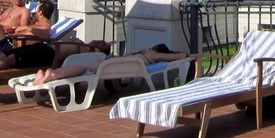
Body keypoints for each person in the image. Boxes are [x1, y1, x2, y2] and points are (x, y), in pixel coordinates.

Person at [29, 44, 188, 85]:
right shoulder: (154, 55)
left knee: (87, 67)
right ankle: (53, 74)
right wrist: (187, 55)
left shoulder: (140, 50)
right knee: (84, 69)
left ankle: (52, 73)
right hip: (117, 66)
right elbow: (179, 56)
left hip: (113, 61)